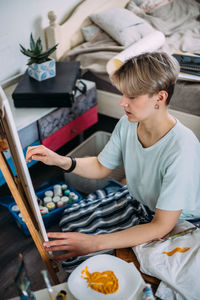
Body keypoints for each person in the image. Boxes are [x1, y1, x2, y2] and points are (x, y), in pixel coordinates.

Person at [26, 52, 200, 263]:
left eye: (132, 97)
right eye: (123, 94)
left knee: (86, 256)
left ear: (160, 98)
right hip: (141, 200)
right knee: (70, 219)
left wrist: (95, 242)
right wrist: (60, 160)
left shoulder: (182, 148)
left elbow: (162, 225)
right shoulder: (128, 123)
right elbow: (101, 165)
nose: (122, 103)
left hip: (175, 221)